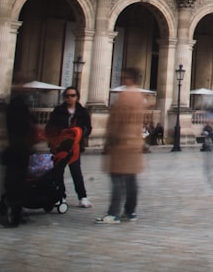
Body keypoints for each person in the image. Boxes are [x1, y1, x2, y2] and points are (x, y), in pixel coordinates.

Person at [96, 67, 145, 224]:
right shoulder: (139, 96)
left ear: (129, 79)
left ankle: (114, 213)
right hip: (135, 142)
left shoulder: (125, 96)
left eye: (123, 77)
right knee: (131, 179)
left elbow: (116, 121)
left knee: (117, 177)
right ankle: (130, 212)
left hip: (121, 143)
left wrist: (109, 140)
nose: (121, 80)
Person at [0, 83, 38, 228]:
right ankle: (13, 215)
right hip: (18, 150)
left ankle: (8, 212)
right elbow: (23, 127)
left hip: (14, 150)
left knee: (12, 183)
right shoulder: (18, 105)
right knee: (16, 183)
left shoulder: (13, 104)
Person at [45, 86, 93, 208]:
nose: (70, 98)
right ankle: (61, 196)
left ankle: (83, 197)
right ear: (64, 97)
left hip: (74, 146)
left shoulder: (82, 112)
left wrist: (80, 133)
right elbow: (50, 127)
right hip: (60, 146)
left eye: (73, 95)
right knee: (58, 172)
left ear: (77, 97)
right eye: (67, 96)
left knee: (76, 172)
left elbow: (88, 128)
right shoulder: (58, 111)